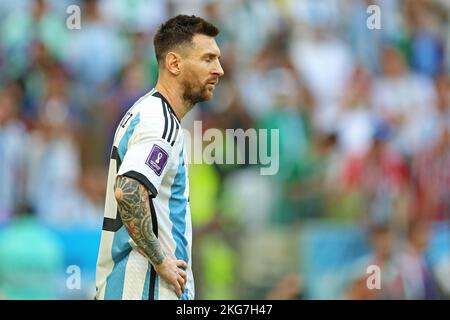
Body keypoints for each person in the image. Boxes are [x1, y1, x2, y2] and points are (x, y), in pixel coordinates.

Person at [95, 14, 224, 300]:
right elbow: (128, 190)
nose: (219, 70)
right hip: (143, 290)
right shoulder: (159, 121)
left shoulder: (151, 113)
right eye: (208, 59)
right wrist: (161, 260)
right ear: (175, 63)